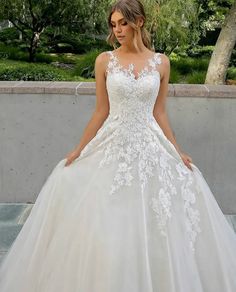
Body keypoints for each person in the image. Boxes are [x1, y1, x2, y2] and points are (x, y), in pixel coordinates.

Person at [1, 0, 236, 291]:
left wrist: (176, 150)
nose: (117, 30)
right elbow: (101, 110)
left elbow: (159, 112)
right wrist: (78, 149)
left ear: (139, 21)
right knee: (107, 216)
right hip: (113, 141)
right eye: (113, 25)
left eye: (122, 23)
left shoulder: (161, 62)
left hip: (150, 144)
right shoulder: (105, 61)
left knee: (163, 211)